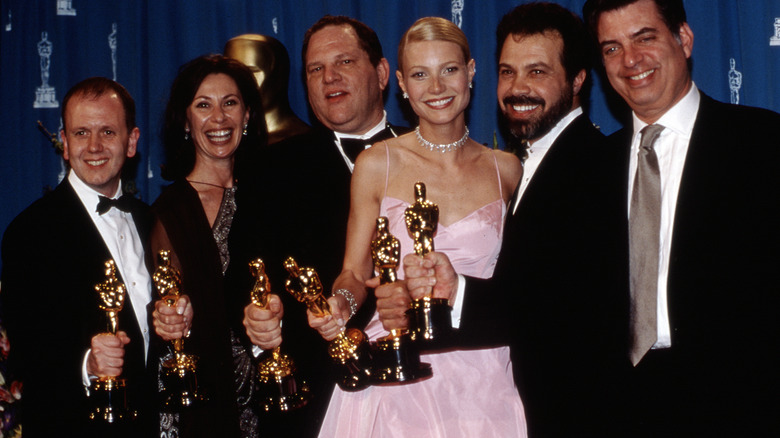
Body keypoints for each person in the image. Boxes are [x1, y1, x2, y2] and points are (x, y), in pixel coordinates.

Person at [402, 4, 629, 437]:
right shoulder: (520, 166)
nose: (517, 88)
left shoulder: (597, 167)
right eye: (507, 72)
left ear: (578, 79)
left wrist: (455, 290)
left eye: (537, 72)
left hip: (577, 412)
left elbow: (549, 305)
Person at [310, 17, 526, 437]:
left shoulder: (508, 170)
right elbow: (354, 274)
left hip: (486, 379)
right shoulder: (376, 164)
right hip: (397, 375)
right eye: (421, 75)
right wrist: (340, 306)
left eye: (449, 69)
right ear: (403, 85)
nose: (437, 87)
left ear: (471, 72)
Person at [582, 0, 780, 435]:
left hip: (743, 405)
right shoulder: (586, 172)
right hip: (617, 410)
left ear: (684, 39)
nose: (630, 60)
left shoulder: (764, 144)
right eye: (612, 48)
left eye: (645, 38)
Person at [231, 15, 411, 436]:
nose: (330, 77)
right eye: (315, 68)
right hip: (316, 400)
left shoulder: (432, 152)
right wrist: (258, 323)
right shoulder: (270, 169)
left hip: (425, 385)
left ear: (382, 73)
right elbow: (243, 273)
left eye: (345, 61)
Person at [0, 77, 156, 437]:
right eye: (82, 133)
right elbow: (24, 352)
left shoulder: (152, 221)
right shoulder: (29, 232)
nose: (95, 146)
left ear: (132, 141)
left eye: (108, 132)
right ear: (65, 143)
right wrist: (87, 364)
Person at [149, 54, 267, 438]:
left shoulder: (272, 196)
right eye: (203, 105)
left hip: (276, 399)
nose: (219, 118)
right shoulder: (171, 212)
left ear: (247, 115)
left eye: (230, 103)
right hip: (204, 408)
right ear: (186, 120)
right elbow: (169, 313)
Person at [224, 33, 311, 144]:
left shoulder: (305, 144)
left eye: (251, 72)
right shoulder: (224, 142)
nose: (239, 83)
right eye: (231, 74)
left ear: (278, 76)